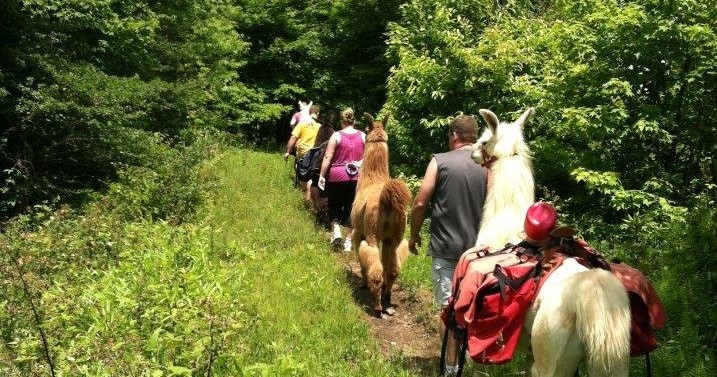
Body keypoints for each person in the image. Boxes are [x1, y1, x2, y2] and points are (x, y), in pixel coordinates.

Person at [408, 114, 487, 376]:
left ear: (454, 136)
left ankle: (451, 369)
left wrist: (414, 234)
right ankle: (469, 364)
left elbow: (420, 202)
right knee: (472, 312)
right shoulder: (488, 164)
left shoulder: (439, 161)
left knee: (449, 312)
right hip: (479, 254)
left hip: (446, 250)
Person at [318, 108, 365, 252]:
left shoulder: (336, 136)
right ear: (354, 121)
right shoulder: (363, 136)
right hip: (357, 176)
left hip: (337, 176)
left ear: (341, 121)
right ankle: (348, 242)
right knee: (352, 208)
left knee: (334, 204)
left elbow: (328, 156)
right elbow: (369, 157)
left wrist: (321, 175)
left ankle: (336, 230)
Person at [284, 105, 322, 192]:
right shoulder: (320, 126)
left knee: (302, 174)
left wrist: (288, 152)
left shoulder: (302, 123)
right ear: (318, 113)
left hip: (303, 153)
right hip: (315, 154)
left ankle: (304, 191)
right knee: (312, 176)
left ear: (309, 113)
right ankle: (309, 192)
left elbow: (293, 138)